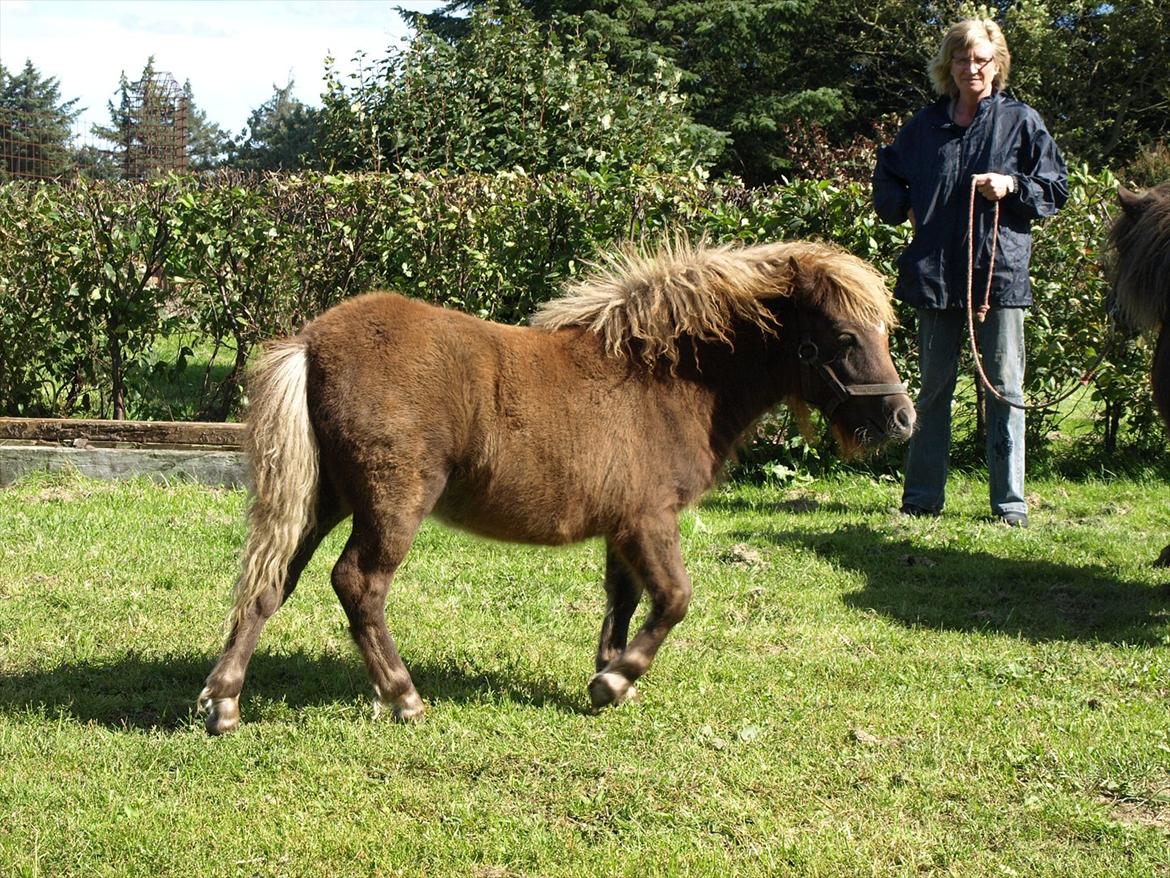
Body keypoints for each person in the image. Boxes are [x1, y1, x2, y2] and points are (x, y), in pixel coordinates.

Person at [873, 18, 1068, 528]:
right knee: (933, 390)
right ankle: (921, 500)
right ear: (949, 66)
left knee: (1005, 388)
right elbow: (888, 173)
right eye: (963, 59)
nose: (972, 68)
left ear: (996, 64)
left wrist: (1011, 186)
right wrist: (906, 209)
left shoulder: (1022, 122)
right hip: (935, 277)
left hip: (996, 278)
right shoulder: (923, 126)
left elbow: (1055, 188)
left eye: (981, 59)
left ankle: (1009, 505)